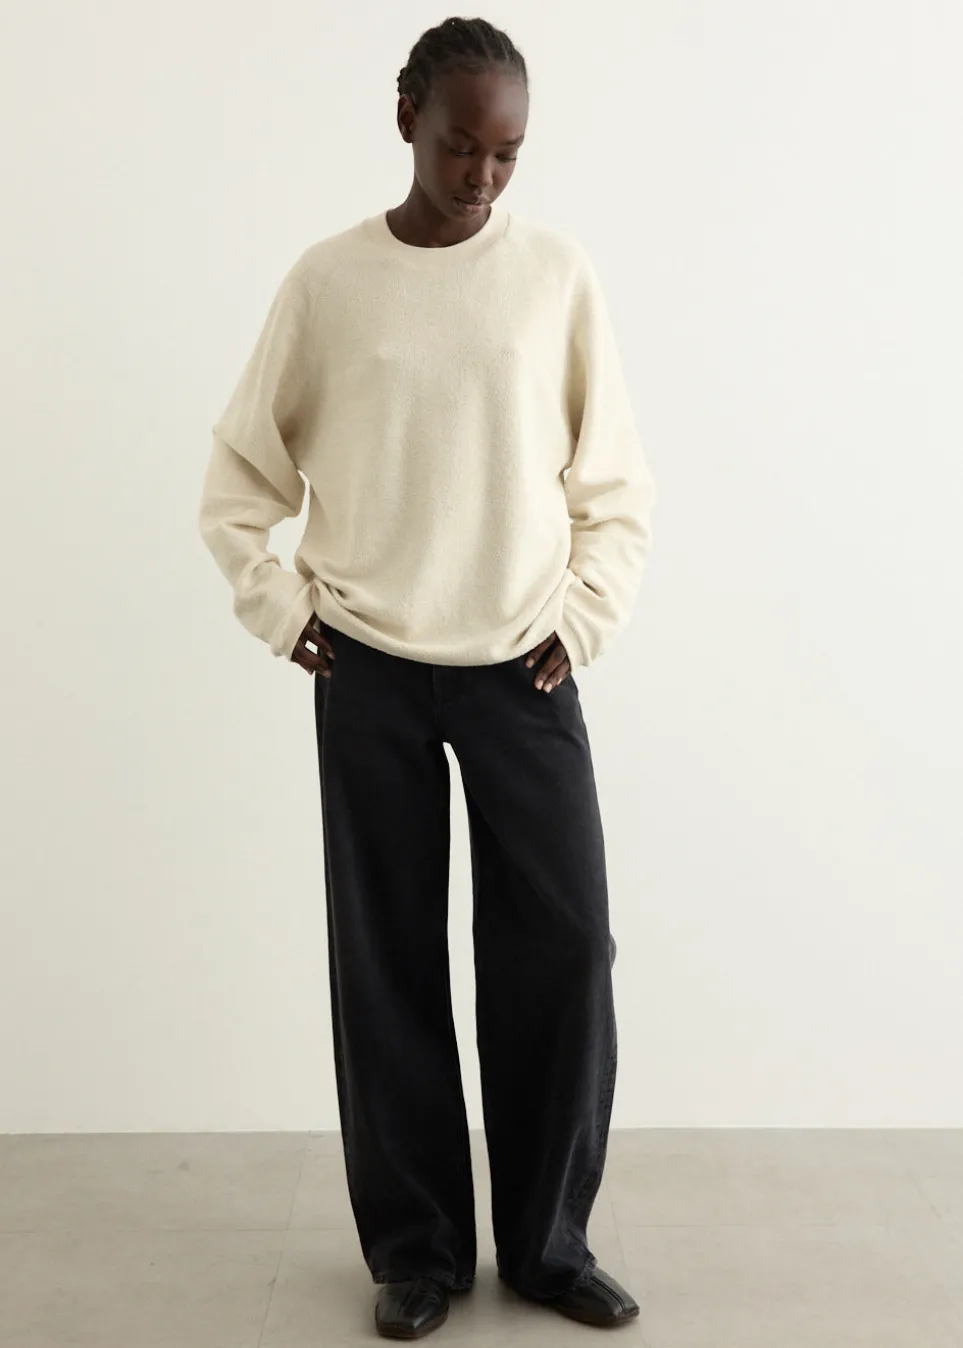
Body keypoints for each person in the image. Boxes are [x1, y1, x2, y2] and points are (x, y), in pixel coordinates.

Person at [198, 14, 656, 1340]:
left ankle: (549, 1245)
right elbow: (239, 475)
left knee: (562, 949)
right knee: (386, 961)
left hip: (525, 669)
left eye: (507, 153)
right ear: (407, 118)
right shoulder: (329, 283)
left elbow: (615, 483)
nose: (482, 176)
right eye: (461, 145)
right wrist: (279, 606)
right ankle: (416, 1252)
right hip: (372, 666)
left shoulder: (554, 277)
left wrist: (586, 616)